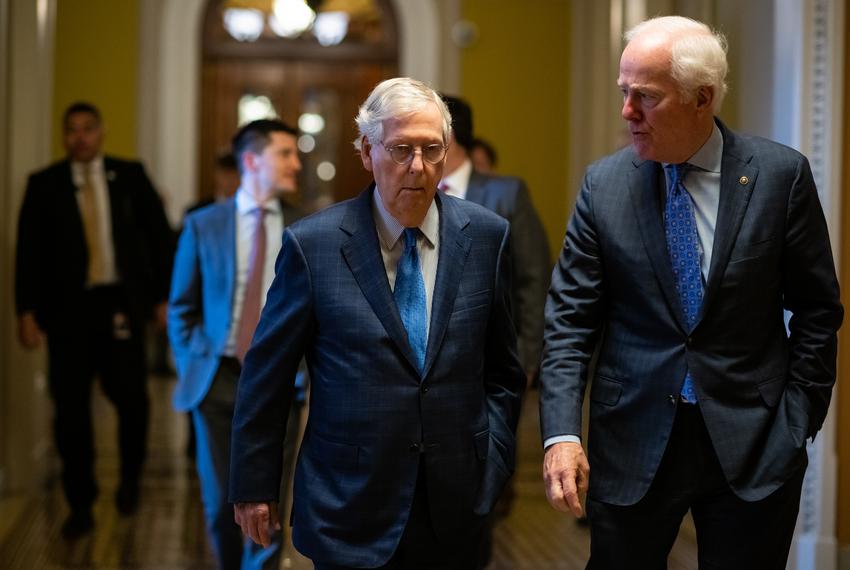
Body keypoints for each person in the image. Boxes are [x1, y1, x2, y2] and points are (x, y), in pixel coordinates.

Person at [539, 15, 843, 569]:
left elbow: (818, 310)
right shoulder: (603, 185)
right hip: (632, 437)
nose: (627, 111)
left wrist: (797, 421)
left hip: (754, 443)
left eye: (646, 97)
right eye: (623, 92)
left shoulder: (780, 177)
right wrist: (561, 432)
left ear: (702, 98)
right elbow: (569, 322)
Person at [228, 77, 525, 569]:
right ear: (367, 151)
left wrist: (491, 459)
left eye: (433, 150)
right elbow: (267, 378)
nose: (418, 166)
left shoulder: (486, 237)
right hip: (349, 502)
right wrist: (255, 484)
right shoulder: (314, 245)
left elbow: (503, 371)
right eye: (401, 149)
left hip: (455, 504)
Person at [15, 101, 175, 539]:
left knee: (132, 400)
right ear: (64, 136)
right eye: (72, 130)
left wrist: (164, 298)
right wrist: (25, 311)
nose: (80, 137)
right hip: (67, 312)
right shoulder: (44, 184)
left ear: (101, 132)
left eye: (87, 129)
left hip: (120, 305)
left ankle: (129, 482)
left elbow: (160, 240)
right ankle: (80, 502)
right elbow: (28, 252)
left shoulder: (129, 176)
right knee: (70, 411)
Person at [168, 119, 307, 570]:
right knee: (218, 505)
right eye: (285, 154)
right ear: (252, 161)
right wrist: (196, 360)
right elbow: (181, 308)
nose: (296, 164)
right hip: (218, 378)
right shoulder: (203, 224)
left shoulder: (305, 229)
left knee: (269, 507)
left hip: (279, 382)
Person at [441, 95, 550, 385]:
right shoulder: (417, 193)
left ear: (447, 135)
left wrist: (528, 357)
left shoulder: (506, 194)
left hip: (492, 362)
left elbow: (533, 277)